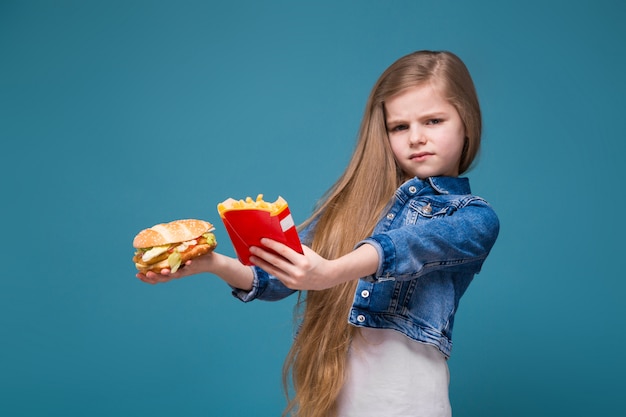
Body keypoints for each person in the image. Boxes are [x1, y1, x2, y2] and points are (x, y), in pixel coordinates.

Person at [137, 50, 500, 417]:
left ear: (466, 121)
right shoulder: (352, 206)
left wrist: (330, 272)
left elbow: (412, 246)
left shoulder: (472, 217)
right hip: (334, 403)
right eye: (399, 126)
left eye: (433, 120)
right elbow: (280, 277)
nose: (416, 138)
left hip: (408, 405)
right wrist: (213, 263)